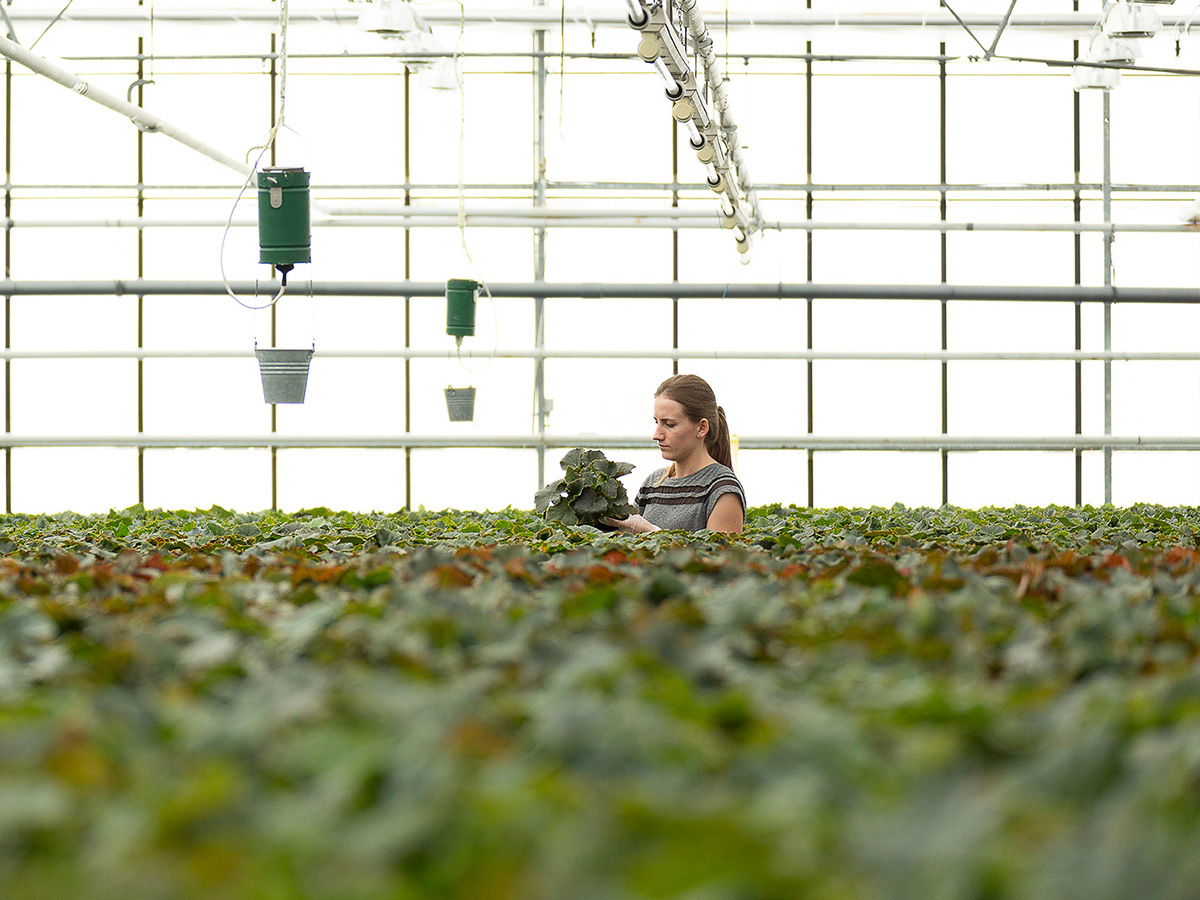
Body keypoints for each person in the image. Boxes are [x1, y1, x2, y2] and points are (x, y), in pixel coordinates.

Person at [603, 373, 746, 534]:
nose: (656, 435)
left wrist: (651, 532)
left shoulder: (723, 490)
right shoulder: (652, 484)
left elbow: (721, 557)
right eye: (657, 422)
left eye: (669, 424)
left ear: (701, 428)